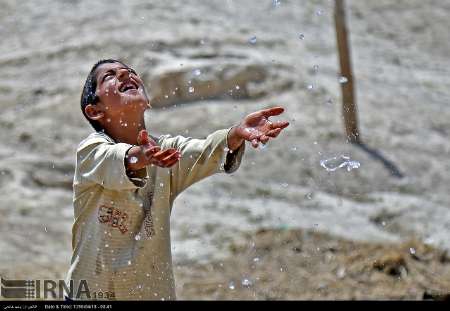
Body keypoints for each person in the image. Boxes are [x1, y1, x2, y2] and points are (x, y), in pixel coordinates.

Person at [65, 59, 289, 300]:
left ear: (147, 101)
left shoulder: (167, 151)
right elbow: (115, 159)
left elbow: (206, 152)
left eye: (130, 71)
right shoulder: (91, 150)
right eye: (109, 76)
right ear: (94, 111)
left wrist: (235, 134)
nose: (124, 74)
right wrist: (142, 156)